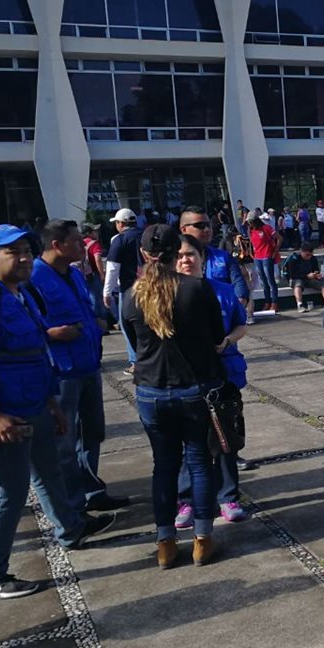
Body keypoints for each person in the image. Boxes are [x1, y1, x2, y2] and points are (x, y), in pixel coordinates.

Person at [0, 225, 115, 599]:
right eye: (12, 252)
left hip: (36, 402)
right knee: (9, 490)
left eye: (26, 250)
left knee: (48, 470)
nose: (24, 257)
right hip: (6, 412)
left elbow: (36, 354)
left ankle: (70, 528)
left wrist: (52, 404)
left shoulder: (24, 295)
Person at [122, 224, 227, 569]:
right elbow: (216, 335)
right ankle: (202, 538)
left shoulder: (131, 295)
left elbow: (135, 345)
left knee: (163, 466)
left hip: (151, 390)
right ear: (174, 253)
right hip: (192, 389)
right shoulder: (196, 289)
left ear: (143, 254)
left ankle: (165, 541)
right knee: (198, 462)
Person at [28, 220, 128, 513]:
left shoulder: (72, 274)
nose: (83, 246)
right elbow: (22, 323)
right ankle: (72, 504)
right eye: (75, 241)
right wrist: (50, 334)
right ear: (57, 245)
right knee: (64, 441)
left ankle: (91, 490)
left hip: (88, 364)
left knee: (92, 432)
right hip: (61, 372)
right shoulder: (33, 278)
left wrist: (97, 323)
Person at [175, 234, 251, 524]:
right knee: (189, 442)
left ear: (202, 259)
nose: (185, 260)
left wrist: (228, 340)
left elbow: (240, 324)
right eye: (180, 255)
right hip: (184, 379)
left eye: (191, 255)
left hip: (223, 376)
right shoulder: (166, 293)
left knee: (224, 438)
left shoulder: (221, 290)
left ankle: (229, 497)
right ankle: (187, 501)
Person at [180, 206, 251, 311]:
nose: (207, 229)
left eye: (209, 225)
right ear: (184, 229)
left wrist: (232, 314)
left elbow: (240, 289)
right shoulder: (174, 261)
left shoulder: (224, 257)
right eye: (200, 226)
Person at [103, 207, 142, 374]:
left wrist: (107, 292)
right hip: (152, 287)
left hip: (128, 289)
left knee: (128, 326)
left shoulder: (119, 240)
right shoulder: (145, 235)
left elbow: (112, 268)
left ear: (120, 224)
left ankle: (135, 362)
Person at [281, 241, 323, 312]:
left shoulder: (313, 258)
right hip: (295, 278)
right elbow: (292, 275)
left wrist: (316, 274)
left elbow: (316, 269)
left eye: (310, 255)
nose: (309, 257)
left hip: (309, 278)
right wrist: (307, 276)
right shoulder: (294, 259)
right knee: (298, 284)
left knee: (323, 283)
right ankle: (300, 304)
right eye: (307, 255)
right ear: (301, 252)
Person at [249, 216, 280, 312]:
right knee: (263, 281)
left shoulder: (266, 228)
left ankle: (274, 302)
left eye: (251, 222)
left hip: (267, 255)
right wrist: (251, 253)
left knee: (270, 280)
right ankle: (267, 301)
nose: (250, 224)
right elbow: (252, 243)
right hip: (257, 257)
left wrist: (275, 251)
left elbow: (279, 238)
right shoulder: (251, 230)